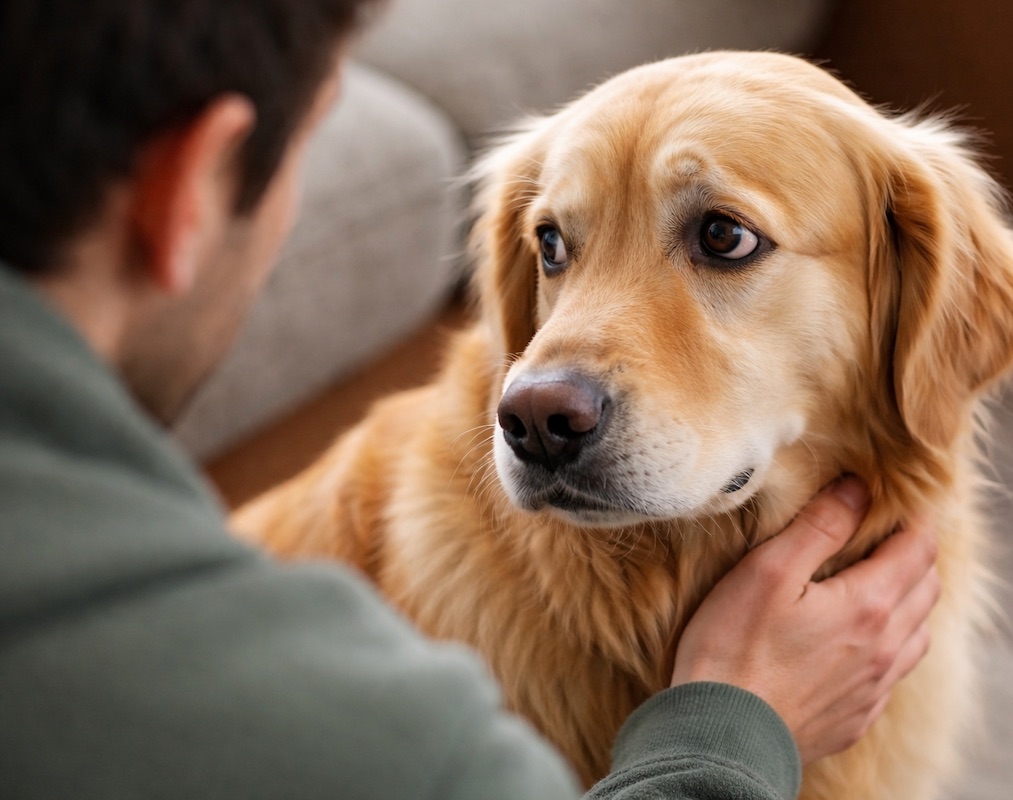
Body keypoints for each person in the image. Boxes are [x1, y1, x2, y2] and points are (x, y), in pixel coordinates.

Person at [0, 1, 942, 798]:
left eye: (724, 239)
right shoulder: (409, 745)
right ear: (190, 190)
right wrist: (732, 731)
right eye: (556, 250)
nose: (535, 385)